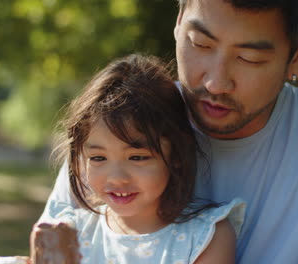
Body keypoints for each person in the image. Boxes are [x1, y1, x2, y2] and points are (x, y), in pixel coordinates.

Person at [40, 0, 298, 263]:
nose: (217, 82)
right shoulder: (118, 124)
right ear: (177, 22)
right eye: (199, 44)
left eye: (249, 58)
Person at [39, 54, 245, 263]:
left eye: (137, 157)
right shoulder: (71, 235)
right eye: (98, 158)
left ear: (177, 153)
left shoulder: (206, 236)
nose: (117, 178)